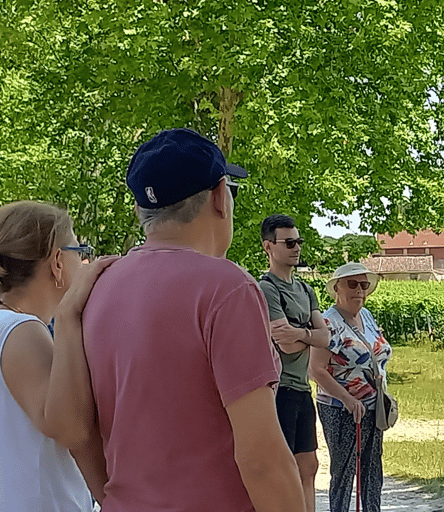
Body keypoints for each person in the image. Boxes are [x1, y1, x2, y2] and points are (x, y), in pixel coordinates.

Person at [79, 128, 306, 511]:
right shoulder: (228, 288)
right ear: (220, 196)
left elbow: (80, 433)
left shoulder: (97, 288)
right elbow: (261, 458)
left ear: (140, 210)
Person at [0, 200, 117, 510]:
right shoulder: (20, 329)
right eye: (79, 252)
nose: (85, 263)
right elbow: (68, 427)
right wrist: (68, 315)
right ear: (57, 263)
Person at [259, 214, 330, 512]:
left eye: (298, 241)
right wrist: (309, 335)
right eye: (289, 242)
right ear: (268, 247)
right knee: (283, 469)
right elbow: (285, 345)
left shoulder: (306, 289)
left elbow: (326, 338)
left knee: (309, 465)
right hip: (280, 390)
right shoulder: (267, 288)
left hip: (302, 390)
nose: (296, 247)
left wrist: (300, 333)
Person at [308, 262, 392, 512]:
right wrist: (348, 400)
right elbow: (316, 370)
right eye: (352, 284)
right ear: (336, 288)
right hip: (341, 408)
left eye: (364, 285)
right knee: (344, 473)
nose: (359, 291)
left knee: (372, 469)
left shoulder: (366, 316)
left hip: (372, 405)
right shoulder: (327, 322)